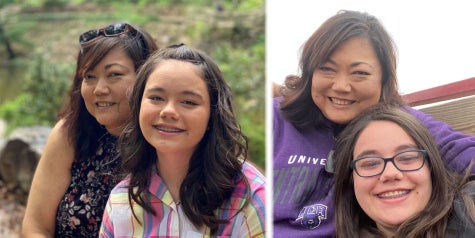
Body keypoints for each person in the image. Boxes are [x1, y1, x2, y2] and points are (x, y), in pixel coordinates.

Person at [273, 10, 475, 237]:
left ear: (384, 80)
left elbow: (461, 151)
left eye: (359, 73)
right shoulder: (277, 119)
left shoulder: (397, 125)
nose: (340, 86)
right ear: (310, 72)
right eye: (326, 69)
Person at [98, 44, 266, 237]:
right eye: (156, 97)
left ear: (213, 115)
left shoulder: (251, 198)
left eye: (188, 102)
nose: (168, 111)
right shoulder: (121, 200)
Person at [21, 22, 158, 237]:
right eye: (89, 77)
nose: (99, 89)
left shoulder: (165, 139)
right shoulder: (70, 134)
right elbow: (35, 226)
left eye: (114, 75)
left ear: (146, 77)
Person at [333, 105, 475, 237]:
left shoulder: (469, 211)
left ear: (431, 167)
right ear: (351, 179)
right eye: (371, 163)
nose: (390, 173)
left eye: (407, 157)